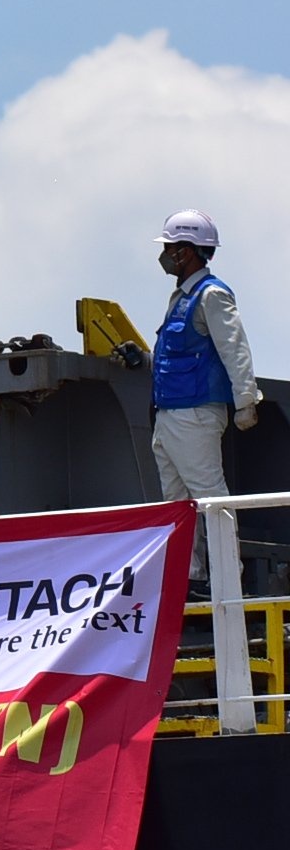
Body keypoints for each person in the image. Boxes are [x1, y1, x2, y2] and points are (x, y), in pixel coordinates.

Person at [151, 211, 260, 588]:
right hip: (171, 414)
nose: (166, 255)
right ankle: (191, 575)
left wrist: (245, 400)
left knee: (209, 496)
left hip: (195, 413)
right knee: (176, 502)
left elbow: (234, 347)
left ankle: (229, 577)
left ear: (188, 251)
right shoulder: (182, 297)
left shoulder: (211, 295)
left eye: (170, 247)